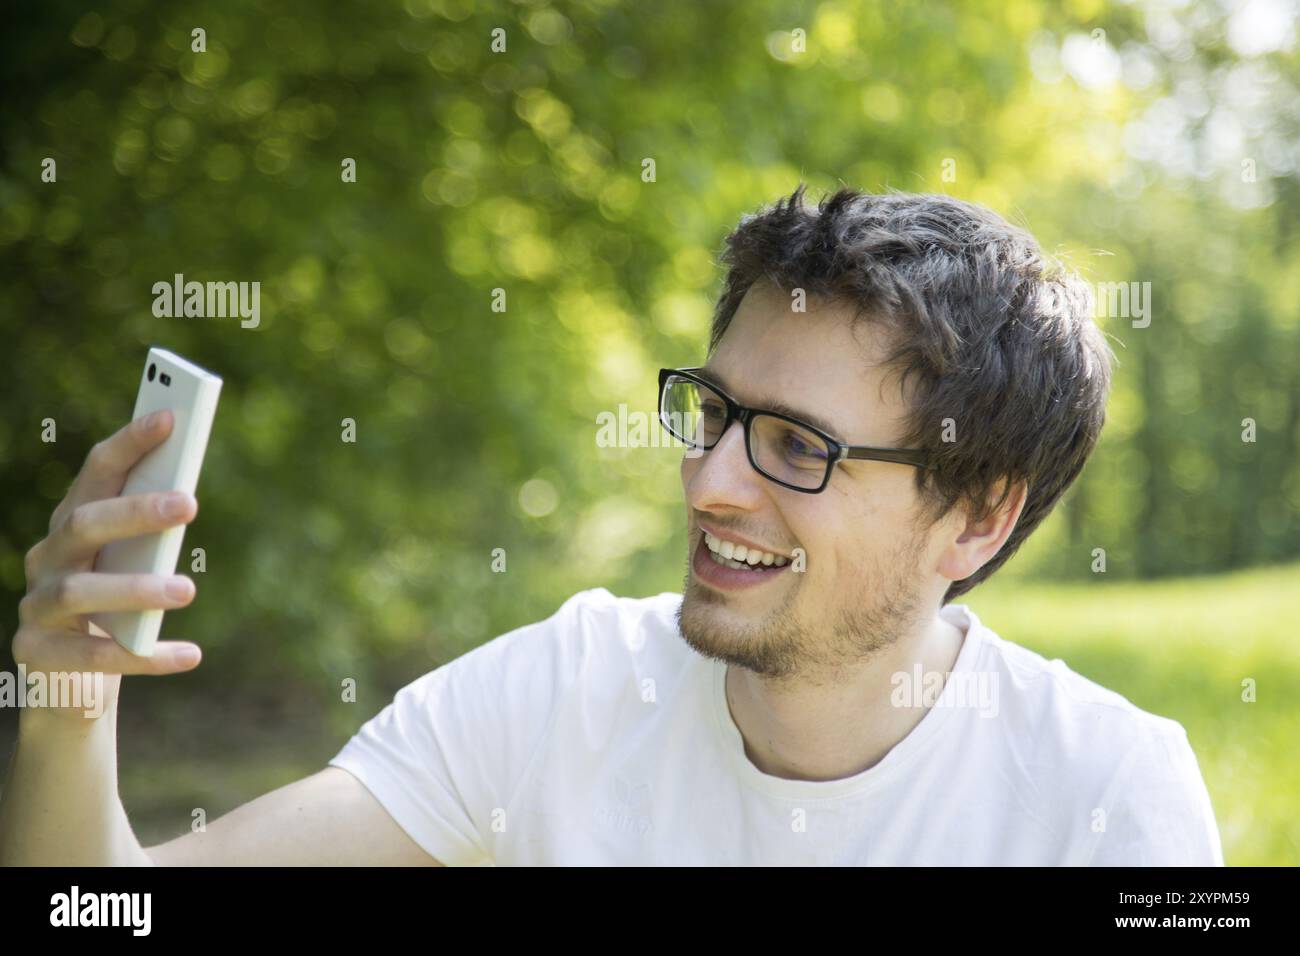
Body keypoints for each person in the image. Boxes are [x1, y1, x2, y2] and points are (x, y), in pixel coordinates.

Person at [0, 186, 1223, 865]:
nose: (708, 483)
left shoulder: (1105, 792)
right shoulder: (565, 692)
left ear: (976, 515)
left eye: (799, 444)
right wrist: (69, 702)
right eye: (714, 411)